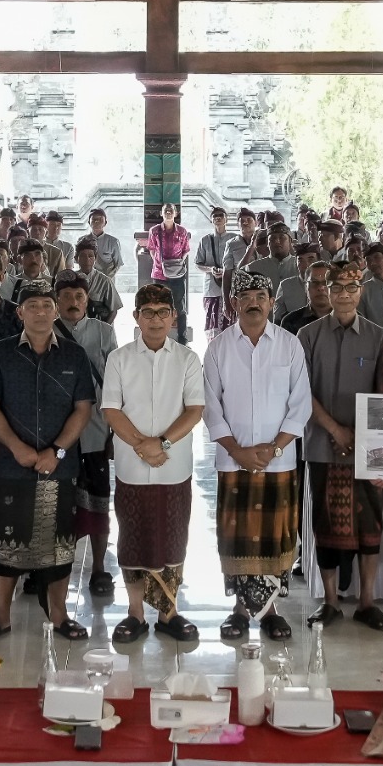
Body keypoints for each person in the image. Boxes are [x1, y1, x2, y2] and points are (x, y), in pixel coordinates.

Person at [0, 279, 100, 640]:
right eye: (33, 306)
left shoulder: (74, 354)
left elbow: (83, 409)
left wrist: (57, 450)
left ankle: (59, 614)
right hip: (12, 463)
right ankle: (1, 615)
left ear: (56, 310)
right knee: (7, 541)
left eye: (47, 305)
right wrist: (16, 447)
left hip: (59, 464)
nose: (41, 312)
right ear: (20, 313)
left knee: (60, 543)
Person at [204, 271, 310, 642]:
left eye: (260, 295)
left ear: (271, 303)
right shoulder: (218, 347)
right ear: (233, 303)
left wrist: (275, 448)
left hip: (277, 462)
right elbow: (210, 406)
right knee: (237, 538)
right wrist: (237, 450)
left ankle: (271, 611)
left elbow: (300, 405)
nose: (253, 302)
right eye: (245, 296)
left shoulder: (289, 345)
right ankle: (238, 610)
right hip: (234, 462)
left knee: (274, 537)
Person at [102, 282, 207, 644]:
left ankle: (168, 613)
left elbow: (195, 409)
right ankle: (134, 613)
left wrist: (159, 443)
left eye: (164, 312)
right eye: (148, 313)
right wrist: (141, 445)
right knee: (132, 538)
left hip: (173, 464)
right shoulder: (119, 358)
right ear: (136, 317)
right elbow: (111, 409)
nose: (156, 319)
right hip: (132, 466)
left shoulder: (187, 359)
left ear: (174, 316)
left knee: (173, 537)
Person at [297, 261, 383, 630]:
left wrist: (359, 436)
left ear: (361, 291)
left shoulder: (378, 337)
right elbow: (302, 392)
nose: (342, 295)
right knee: (325, 522)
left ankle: (367, 601)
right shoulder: (307, 335)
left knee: (370, 521)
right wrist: (335, 430)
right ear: (327, 290)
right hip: (322, 444)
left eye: (351, 288)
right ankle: (332, 601)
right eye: (335, 288)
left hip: (368, 447)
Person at [55, 272, 119, 601]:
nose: (73, 302)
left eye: (79, 296)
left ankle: (98, 568)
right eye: (66, 296)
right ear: (57, 300)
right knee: (55, 503)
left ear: (87, 299)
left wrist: (113, 433)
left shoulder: (104, 333)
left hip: (95, 431)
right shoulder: (46, 331)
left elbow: (115, 385)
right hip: (56, 434)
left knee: (98, 502)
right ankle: (51, 568)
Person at [147, 202, 193, 341]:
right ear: (161, 213)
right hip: (159, 274)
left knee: (179, 305)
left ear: (175, 213)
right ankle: (159, 336)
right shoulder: (154, 231)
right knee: (158, 304)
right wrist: (161, 263)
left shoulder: (182, 231)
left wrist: (176, 263)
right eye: (166, 210)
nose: (168, 213)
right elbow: (152, 249)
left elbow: (186, 250)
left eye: (171, 210)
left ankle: (182, 337)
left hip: (178, 274)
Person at [197, 205, 241, 333]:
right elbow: (198, 263)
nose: (217, 218)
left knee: (232, 322)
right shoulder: (205, 240)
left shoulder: (235, 239)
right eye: (215, 216)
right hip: (212, 287)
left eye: (220, 215)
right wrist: (211, 269)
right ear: (211, 220)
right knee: (212, 323)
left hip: (231, 284)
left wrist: (226, 271)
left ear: (226, 219)